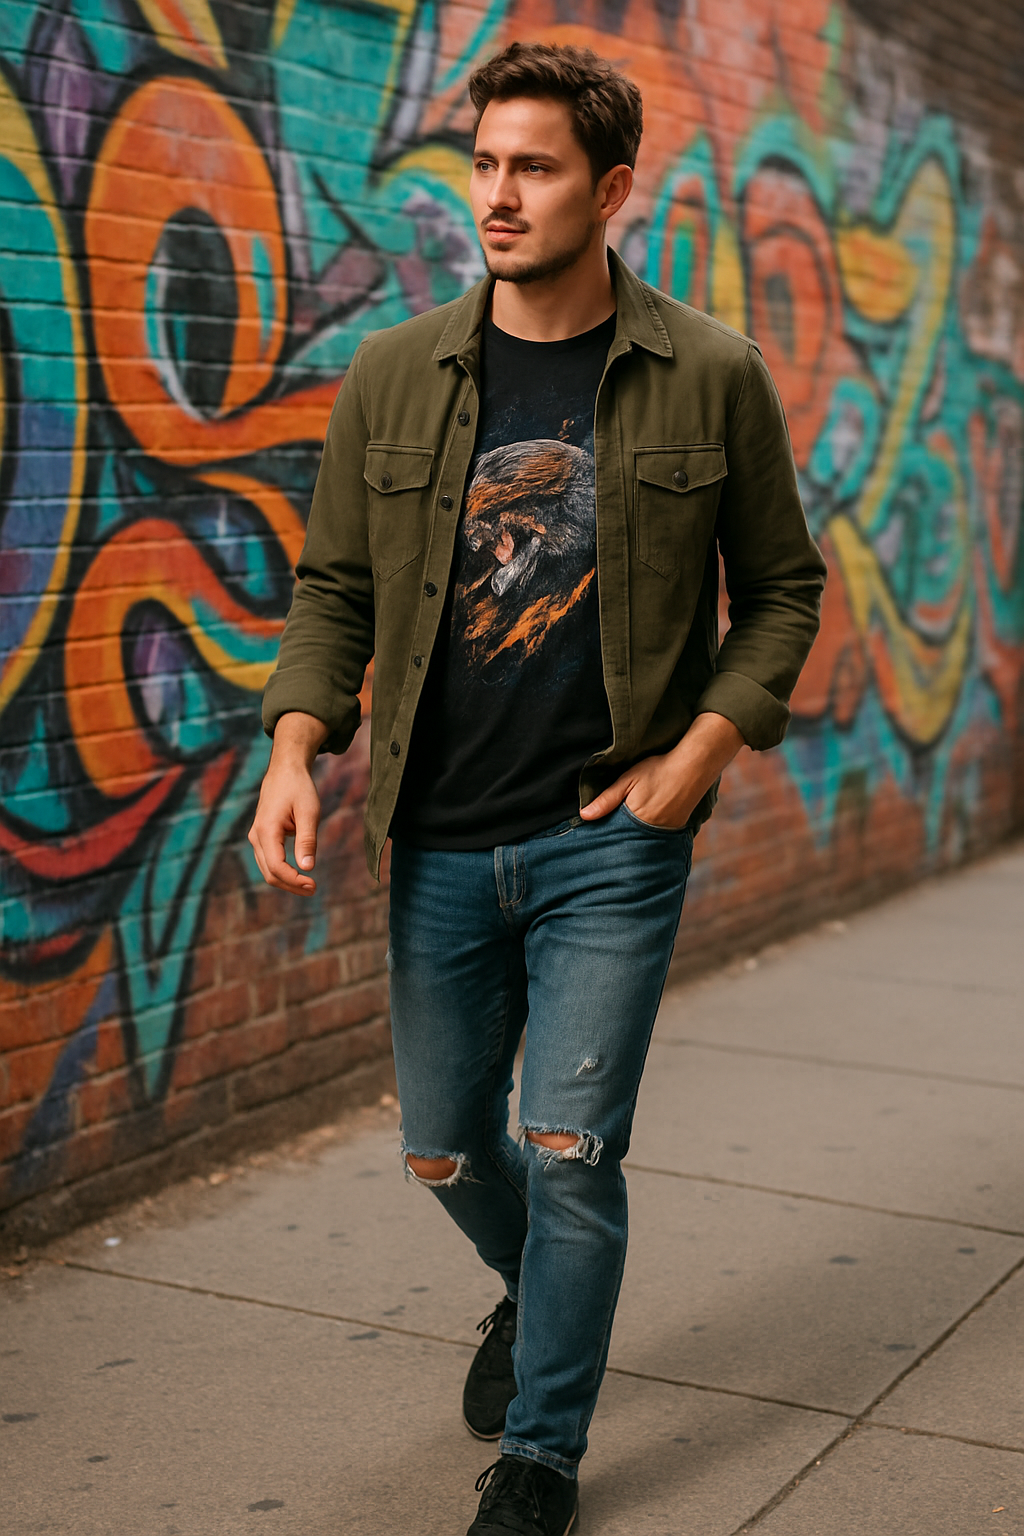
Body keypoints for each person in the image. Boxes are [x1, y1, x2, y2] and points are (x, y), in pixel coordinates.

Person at [250, 40, 826, 1536]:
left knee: (574, 1152)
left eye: (535, 168)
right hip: (438, 836)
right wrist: (296, 747)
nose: (497, 196)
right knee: (445, 1144)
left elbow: (782, 590)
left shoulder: (711, 373)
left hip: (608, 840)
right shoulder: (396, 373)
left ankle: (542, 1457)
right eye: (485, 165)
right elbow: (334, 590)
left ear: (611, 187)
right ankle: (538, 1291)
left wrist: (698, 756)